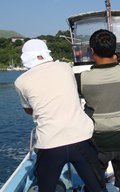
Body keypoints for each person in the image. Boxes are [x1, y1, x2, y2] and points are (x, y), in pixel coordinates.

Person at [14, 39, 106, 192]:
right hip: (80, 137)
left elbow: (29, 110)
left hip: (49, 143)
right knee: (98, 188)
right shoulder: (65, 67)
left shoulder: (20, 81)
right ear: (46, 53)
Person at [77, 30, 120, 192]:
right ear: (114, 49)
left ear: (91, 50)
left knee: (94, 182)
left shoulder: (82, 79)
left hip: (96, 140)